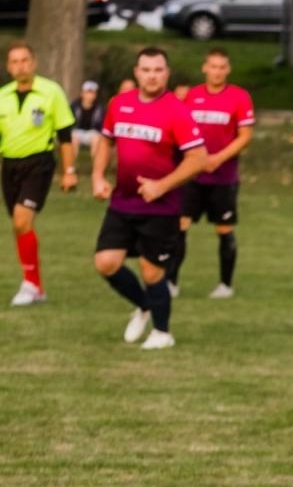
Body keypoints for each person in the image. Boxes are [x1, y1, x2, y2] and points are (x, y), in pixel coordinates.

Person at [90, 46, 206, 350]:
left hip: (161, 208)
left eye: (158, 70)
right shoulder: (120, 103)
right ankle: (144, 305)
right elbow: (106, 140)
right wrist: (98, 176)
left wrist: (162, 185)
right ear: (136, 73)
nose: (152, 76)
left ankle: (163, 333)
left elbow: (198, 158)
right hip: (122, 202)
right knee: (105, 262)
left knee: (151, 270)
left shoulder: (177, 111)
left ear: (166, 73)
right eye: (146, 70)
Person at [170, 47, 253, 300]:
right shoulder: (191, 97)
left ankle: (225, 285)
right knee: (180, 225)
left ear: (228, 70)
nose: (217, 72)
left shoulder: (239, 97)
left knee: (224, 229)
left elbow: (245, 136)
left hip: (223, 178)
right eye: (212, 66)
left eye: (222, 67)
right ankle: (171, 283)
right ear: (204, 68)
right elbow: (178, 131)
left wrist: (218, 158)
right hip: (192, 177)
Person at [0, 41, 77, 307]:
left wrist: (69, 171)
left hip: (39, 163)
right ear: (9, 67)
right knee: (20, 225)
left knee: (22, 220)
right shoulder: (3, 96)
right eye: (14, 61)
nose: (20, 66)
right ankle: (37, 286)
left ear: (33, 63)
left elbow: (65, 135)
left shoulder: (50, 92)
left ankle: (30, 284)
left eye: (24, 60)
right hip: (10, 165)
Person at [71, 80, 105, 153]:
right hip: (77, 132)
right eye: (88, 92)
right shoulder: (74, 106)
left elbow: (101, 126)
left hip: (92, 133)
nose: (90, 95)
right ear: (82, 93)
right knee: (73, 137)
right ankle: (71, 163)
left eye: (92, 93)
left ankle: (95, 163)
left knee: (96, 138)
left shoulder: (99, 108)